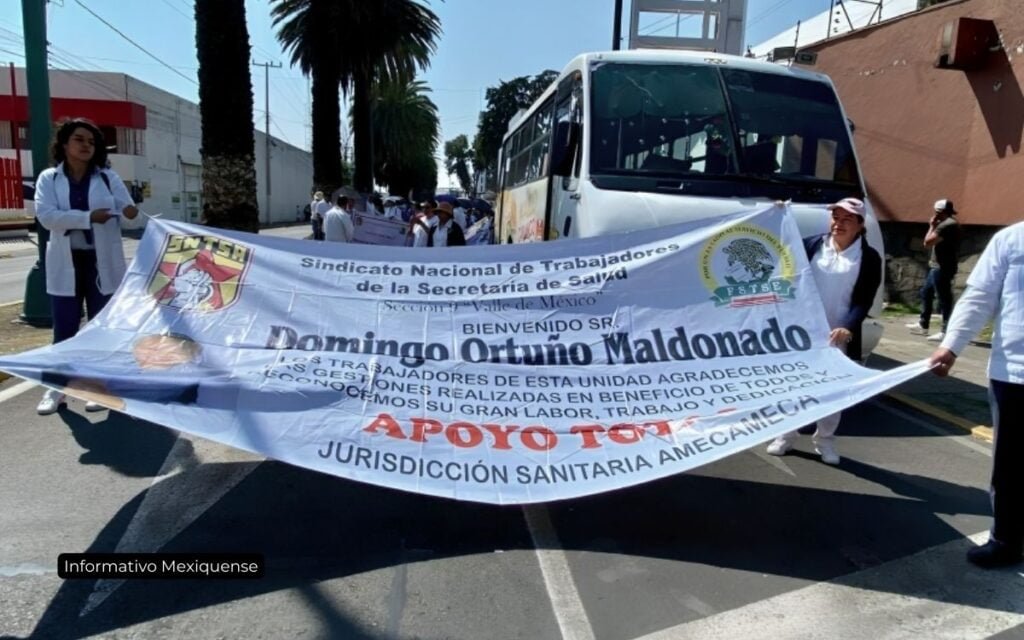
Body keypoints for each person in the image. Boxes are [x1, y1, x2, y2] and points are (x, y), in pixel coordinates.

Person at [929, 220, 1024, 568]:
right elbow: (980, 296)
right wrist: (951, 346)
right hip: (1014, 373)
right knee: (1011, 466)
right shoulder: (1012, 239)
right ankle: (1007, 540)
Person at [33, 118, 139, 415]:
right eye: (79, 139)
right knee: (64, 328)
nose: (86, 146)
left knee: (99, 328)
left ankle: (96, 385)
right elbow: (47, 217)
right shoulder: (48, 179)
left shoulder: (108, 178)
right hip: (65, 262)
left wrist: (132, 210)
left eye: (92, 142)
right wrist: (88, 217)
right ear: (65, 144)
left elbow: (127, 209)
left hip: (100, 262)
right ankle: (57, 388)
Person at [766, 197, 882, 464]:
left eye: (847, 220)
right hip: (802, 333)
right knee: (792, 385)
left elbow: (863, 300)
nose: (838, 224)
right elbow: (786, 274)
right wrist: (776, 214)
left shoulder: (869, 258)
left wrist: (847, 326)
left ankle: (825, 440)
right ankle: (786, 435)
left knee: (833, 392)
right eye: (836, 218)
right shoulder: (812, 246)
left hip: (837, 335)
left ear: (860, 225)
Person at [907, 199, 961, 341]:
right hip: (937, 266)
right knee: (926, 292)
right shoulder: (950, 223)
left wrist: (931, 226)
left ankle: (946, 331)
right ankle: (923, 324)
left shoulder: (946, 225)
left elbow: (927, 242)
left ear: (939, 212)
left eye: (936, 212)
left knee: (944, 299)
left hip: (943, 267)